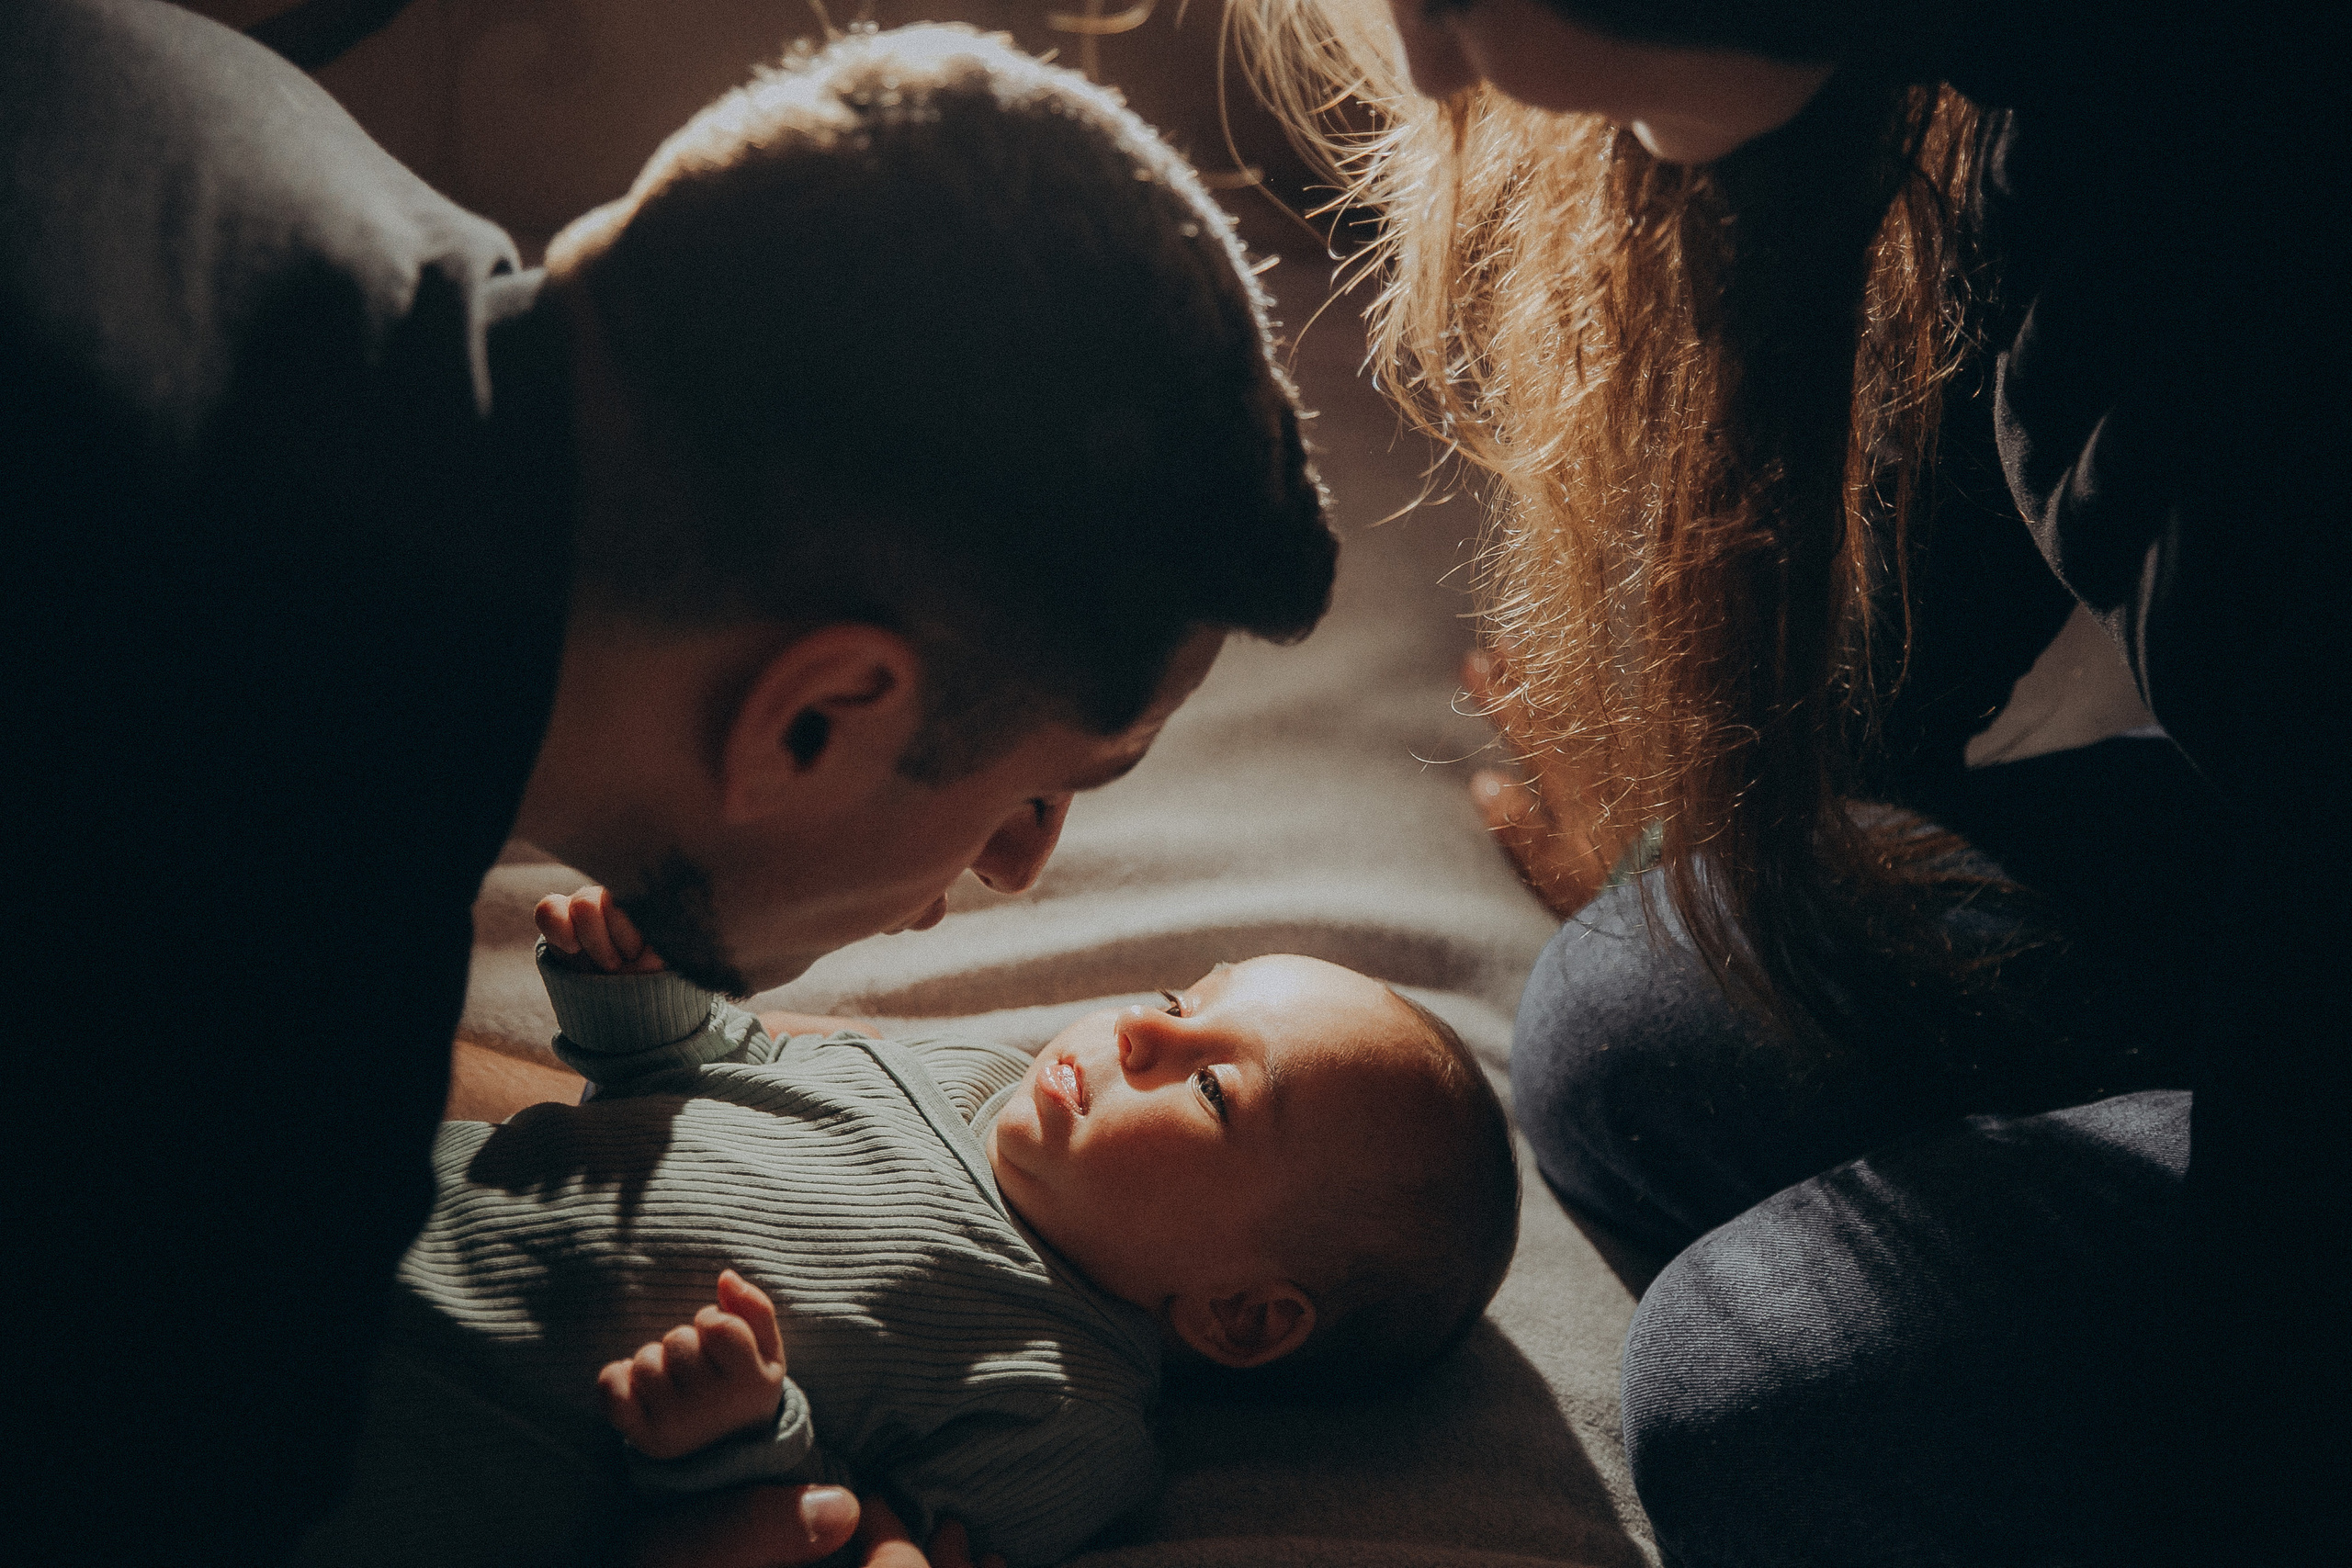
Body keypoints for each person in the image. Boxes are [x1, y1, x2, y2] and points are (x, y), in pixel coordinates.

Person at [0, 9, 1339, 1563]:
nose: (1020, 871)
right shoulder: (229, 1059)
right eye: (1043, 792)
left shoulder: (172, 77)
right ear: (816, 719)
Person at [1237, 1, 2345, 1562]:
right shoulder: (2028, 97)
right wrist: (1726, 810)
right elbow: (1931, 588)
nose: (1425, 66)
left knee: (1751, 1392)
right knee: (1644, 1006)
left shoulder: (2248, 190)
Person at [296, 886, 1517, 1568]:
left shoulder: (1070, 1417)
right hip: (376, 1204)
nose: (1136, 1035)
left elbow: (850, 1537)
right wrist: (637, 1002)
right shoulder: (968, 1078)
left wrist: (739, 1437)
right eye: (1177, 1000)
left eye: (1210, 1087)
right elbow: (721, 1074)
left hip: (415, 1439)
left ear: (1243, 1315)